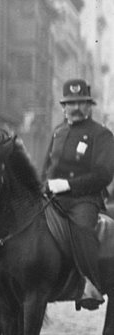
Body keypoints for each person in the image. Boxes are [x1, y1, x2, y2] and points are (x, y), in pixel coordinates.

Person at [40, 78, 114, 309]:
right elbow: (45, 168)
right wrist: (44, 185)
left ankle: (89, 284)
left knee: (82, 228)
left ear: (89, 106)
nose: (76, 108)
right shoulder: (58, 132)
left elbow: (103, 175)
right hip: (52, 197)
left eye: (81, 103)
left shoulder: (101, 135)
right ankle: (1, 283)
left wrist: (68, 186)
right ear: (63, 107)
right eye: (71, 103)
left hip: (83, 199)